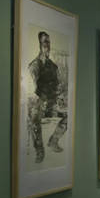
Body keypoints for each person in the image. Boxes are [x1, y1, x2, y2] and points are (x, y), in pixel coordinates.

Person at [27, 31, 66, 163]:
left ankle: (53, 141)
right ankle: (40, 151)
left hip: (52, 103)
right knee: (34, 117)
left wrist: (58, 98)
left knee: (68, 116)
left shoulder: (53, 66)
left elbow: (58, 85)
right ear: (40, 44)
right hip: (40, 103)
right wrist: (42, 101)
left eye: (48, 42)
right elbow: (33, 90)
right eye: (45, 42)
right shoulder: (34, 66)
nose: (47, 45)